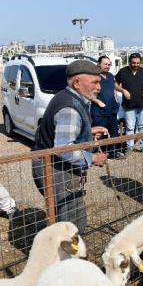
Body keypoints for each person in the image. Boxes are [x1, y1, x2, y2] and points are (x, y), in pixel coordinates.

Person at [32, 60, 108, 234]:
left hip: (55, 165)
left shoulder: (68, 97)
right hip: (56, 168)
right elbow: (63, 149)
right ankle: (66, 258)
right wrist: (94, 158)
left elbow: (62, 134)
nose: (99, 87)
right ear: (76, 83)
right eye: (95, 82)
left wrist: (87, 131)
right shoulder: (70, 108)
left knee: (70, 214)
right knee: (69, 222)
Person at [115, 53, 143, 154]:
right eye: (133, 63)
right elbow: (115, 84)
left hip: (142, 105)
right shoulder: (123, 72)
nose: (136, 65)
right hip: (129, 105)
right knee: (130, 127)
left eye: (137, 63)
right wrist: (123, 90)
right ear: (129, 62)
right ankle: (129, 147)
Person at [90, 56, 125, 160]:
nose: (107, 66)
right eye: (105, 64)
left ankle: (113, 154)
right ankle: (94, 156)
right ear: (98, 64)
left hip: (112, 110)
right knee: (97, 134)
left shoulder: (110, 76)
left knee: (114, 133)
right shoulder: (94, 77)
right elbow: (88, 94)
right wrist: (98, 101)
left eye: (109, 64)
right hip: (99, 111)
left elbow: (113, 88)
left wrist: (115, 100)